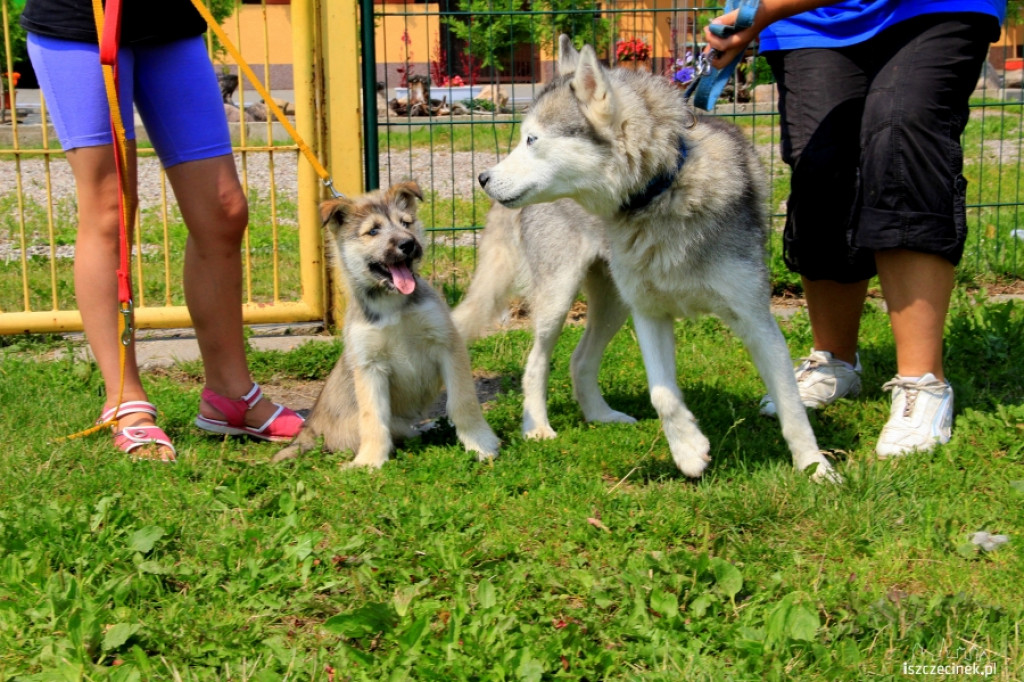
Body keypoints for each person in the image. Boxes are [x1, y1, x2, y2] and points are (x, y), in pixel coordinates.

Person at [704, 0, 1005, 457]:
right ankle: (835, 359)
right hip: (813, 22)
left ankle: (922, 384)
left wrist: (762, 12)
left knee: (903, 137)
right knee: (820, 169)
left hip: (933, 7)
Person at [21, 0, 304, 461]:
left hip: (169, 22)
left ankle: (229, 396)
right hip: (76, 21)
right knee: (109, 208)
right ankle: (124, 402)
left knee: (224, 210)